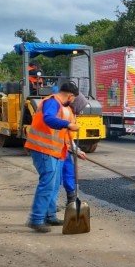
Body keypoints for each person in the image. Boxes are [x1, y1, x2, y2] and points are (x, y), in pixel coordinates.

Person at [24, 81, 81, 233]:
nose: (73, 101)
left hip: (56, 151)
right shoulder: (52, 102)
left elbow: (62, 135)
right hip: (43, 149)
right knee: (47, 185)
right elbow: (48, 119)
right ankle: (36, 219)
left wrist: (75, 149)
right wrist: (67, 125)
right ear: (70, 96)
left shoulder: (63, 107)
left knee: (55, 185)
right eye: (73, 98)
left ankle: (50, 216)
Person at [61, 93, 89, 206]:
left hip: (63, 149)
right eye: (80, 107)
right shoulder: (64, 113)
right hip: (55, 150)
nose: (80, 111)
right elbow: (63, 136)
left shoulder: (70, 113)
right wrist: (76, 151)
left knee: (69, 172)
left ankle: (72, 199)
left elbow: (68, 138)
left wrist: (77, 151)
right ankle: (49, 206)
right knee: (55, 179)